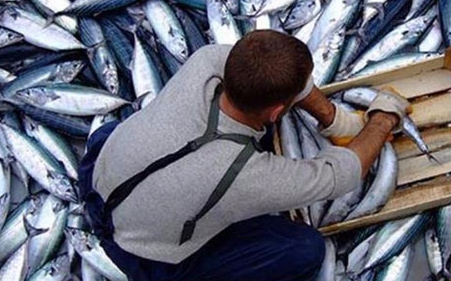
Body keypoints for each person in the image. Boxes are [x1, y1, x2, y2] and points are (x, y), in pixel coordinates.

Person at [78, 30, 410, 281]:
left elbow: (287, 79)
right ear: (278, 109)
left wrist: (334, 119)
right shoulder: (246, 175)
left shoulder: (206, 61)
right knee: (304, 249)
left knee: (118, 134)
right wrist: (382, 120)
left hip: (97, 174)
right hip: (140, 254)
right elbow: (342, 174)